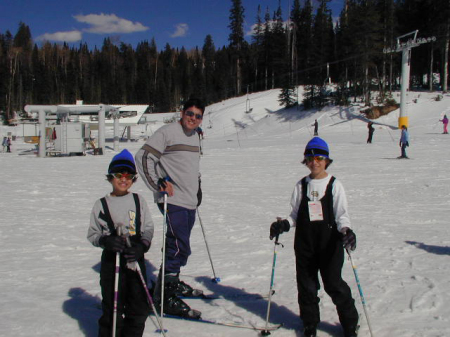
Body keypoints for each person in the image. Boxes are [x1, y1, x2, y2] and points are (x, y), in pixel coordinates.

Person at [269, 137, 359, 337]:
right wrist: (283, 224)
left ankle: (350, 324)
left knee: (334, 285)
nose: (314, 162)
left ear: (326, 160)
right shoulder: (301, 185)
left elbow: (342, 215)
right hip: (305, 244)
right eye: (310, 158)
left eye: (319, 157)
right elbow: (294, 215)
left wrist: (347, 231)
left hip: (329, 245)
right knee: (307, 287)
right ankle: (310, 324)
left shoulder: (334, 184)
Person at [135, 98, 204, 319]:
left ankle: (170, 282)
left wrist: (198, 187)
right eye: (190, 113)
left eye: (198, 115)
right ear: (182, 113)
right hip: (172, 199)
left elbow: (190, 166)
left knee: (182, 245)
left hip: (189, 198)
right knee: (177, 244)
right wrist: (158, 183)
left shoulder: (196, 136)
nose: (193, 118)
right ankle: (164, 297)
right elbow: (143, 157)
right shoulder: (168, 132)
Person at [87, 149, 154, 337]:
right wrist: (105, 241)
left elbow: (148, 226)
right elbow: (93, 233)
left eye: (129, 175)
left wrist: (143, 245)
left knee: (139, 306)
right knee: (113, 307)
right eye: (118, 175)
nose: (123, 179)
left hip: (134, 257)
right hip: (112, 259)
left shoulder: (138, 200)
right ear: (110, 177)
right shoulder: (101, 204)